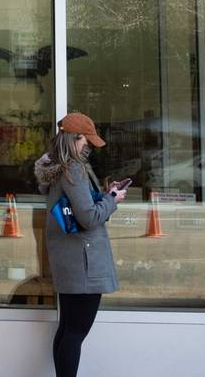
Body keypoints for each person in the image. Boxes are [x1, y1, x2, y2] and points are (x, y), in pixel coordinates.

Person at [34, 113, 126, 377]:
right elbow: (89, 217)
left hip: (69, 259)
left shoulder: (55, 170)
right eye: (86, 140)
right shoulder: (72, 169)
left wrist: (106, 193)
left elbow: (77, 207)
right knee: (75, 333)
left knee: (67, 330)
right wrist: (113, 201)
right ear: (74, 139)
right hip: (83, 262)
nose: (88, 146)